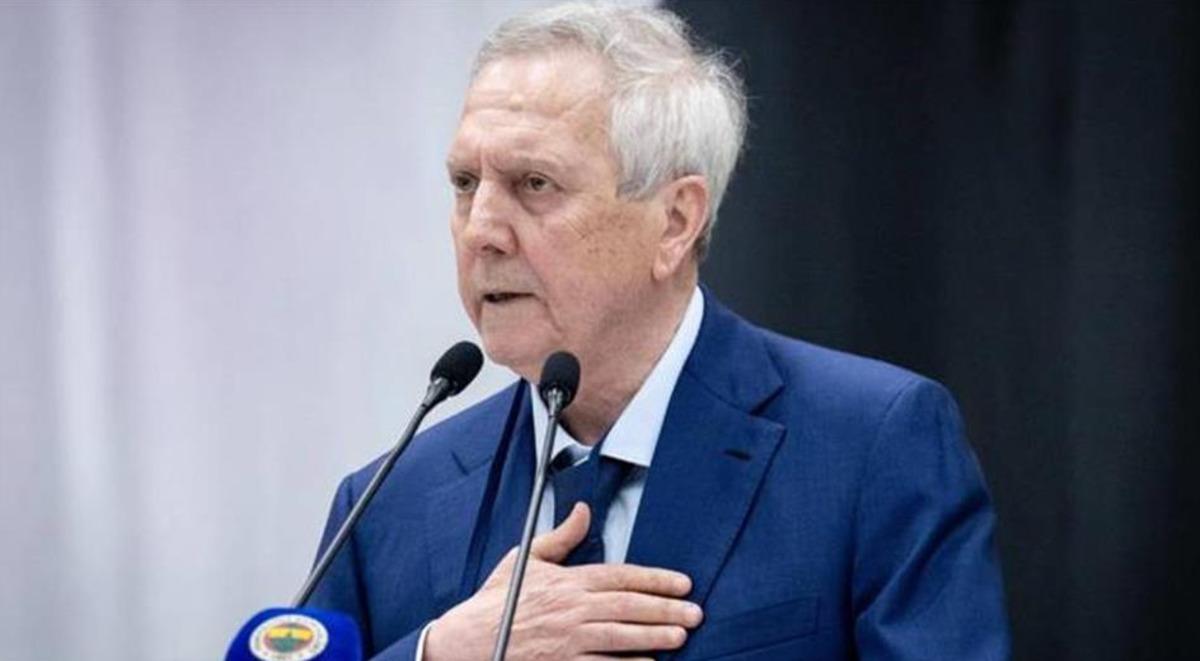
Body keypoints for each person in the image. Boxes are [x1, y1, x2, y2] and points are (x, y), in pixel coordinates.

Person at [308, 3, 1010, 659]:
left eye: (534, 184)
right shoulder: (383, 505)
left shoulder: (871, 448)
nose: (481, 230)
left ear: (675, 221)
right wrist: (439, 652)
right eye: (465, 183)